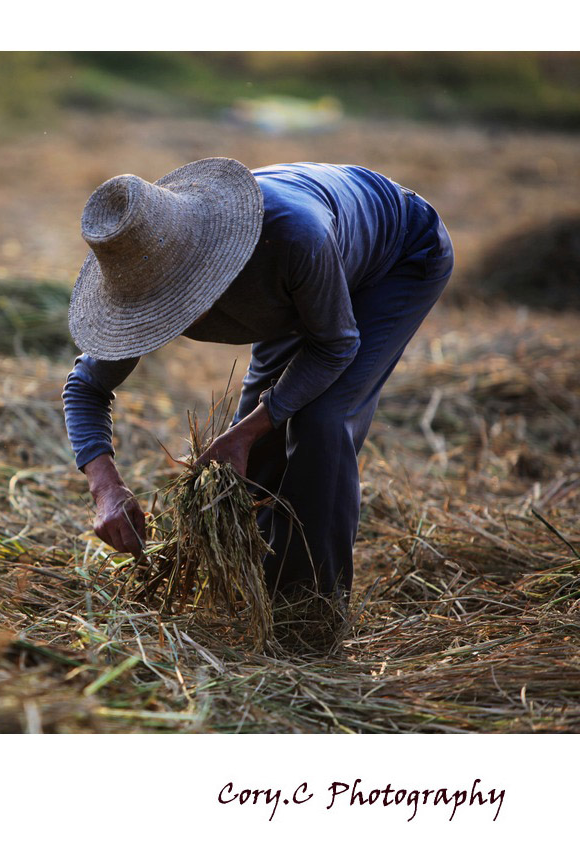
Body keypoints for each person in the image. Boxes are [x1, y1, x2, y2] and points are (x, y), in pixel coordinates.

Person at [61, 158, 454, 604]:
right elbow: (85, 388)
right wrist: (106, 489)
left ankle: (311, 611)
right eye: (155, 307)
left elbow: (336, 346)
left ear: (206, 268)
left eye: (173, 300)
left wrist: (244, 432)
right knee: (255, 444)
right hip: (295, 287)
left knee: (319, 420)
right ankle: (253, 591)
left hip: (397, 254)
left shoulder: (292, 238)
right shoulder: (142, 267)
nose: (167, 317)